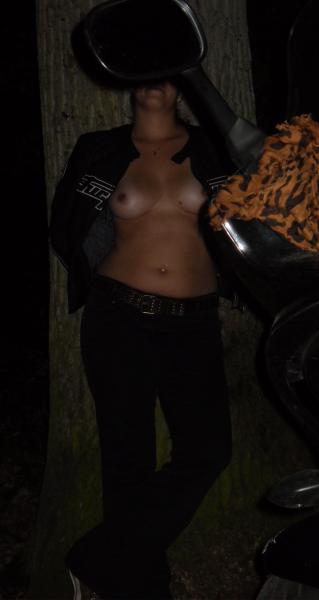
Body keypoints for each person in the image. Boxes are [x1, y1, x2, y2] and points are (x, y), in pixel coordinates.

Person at [50, 80, 233, 599]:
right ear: (129, 82)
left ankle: (95, 558)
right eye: (146, 70)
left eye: (168, 70)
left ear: (183, 83)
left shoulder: (215, 147)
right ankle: (142, 587)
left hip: (194, 322)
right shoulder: (99, 149)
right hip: (119, 318)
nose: (156, 81)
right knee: (127, 459)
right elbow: (65, 225)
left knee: (208, 451)